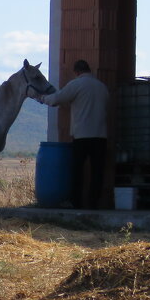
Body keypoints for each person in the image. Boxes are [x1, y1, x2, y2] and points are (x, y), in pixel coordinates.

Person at [39, 59, 110, 208]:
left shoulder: (76, 84)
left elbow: (57, 99)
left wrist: (42, 98)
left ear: (76, 72)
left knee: (77, 171)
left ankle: (77, 202)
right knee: (97, 172)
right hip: (101, 135)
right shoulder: (102, 87)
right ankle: (94, 203)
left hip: (82, 136)